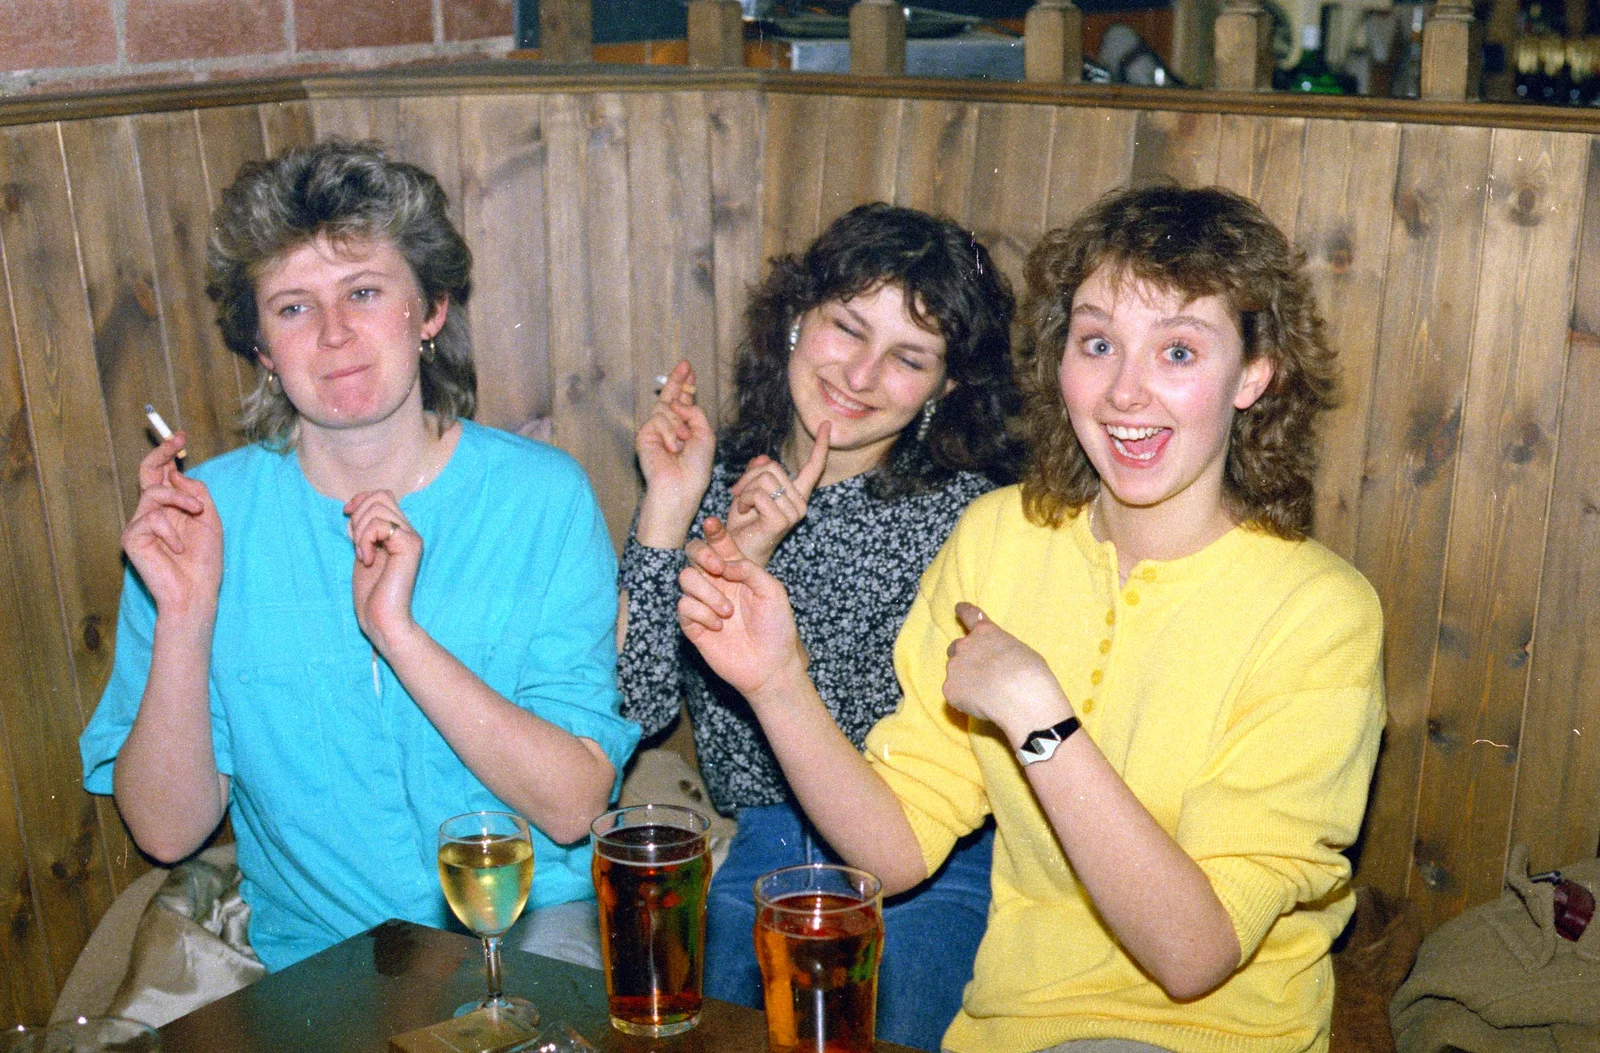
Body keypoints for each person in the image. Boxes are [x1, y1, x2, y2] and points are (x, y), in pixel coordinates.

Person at [675, 185, 1386, 1053]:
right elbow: (894, 850)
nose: (1126, 393)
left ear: (1254, 373)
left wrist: (1040, 719)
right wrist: (777, 682)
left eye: (1177, 351)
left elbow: (1193, 953)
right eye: (1097, 344)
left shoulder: (1321, 613)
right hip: (1004, 1030)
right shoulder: (1000, 537)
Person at [80, 139, 640, 974]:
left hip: (527, 932)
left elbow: (572, 806)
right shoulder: (205, 519)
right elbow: (166, 829)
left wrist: (399, 633)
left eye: (365, 292)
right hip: (320, 959)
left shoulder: (541, 497)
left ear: (431, 310)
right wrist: (186, 613)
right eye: (294, 308)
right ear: (263, 349)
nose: (335, 335)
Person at [619, 202, 1022, 1050]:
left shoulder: (966, 516)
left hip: (921, 866)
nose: (862, 374)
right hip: (761, 842)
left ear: (945, 388)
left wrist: (754, 573)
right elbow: (637, 703)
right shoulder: (717, 471)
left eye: (908, 357)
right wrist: (668, 508)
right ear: (799, 317)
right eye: (847, 327)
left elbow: (873, 745)